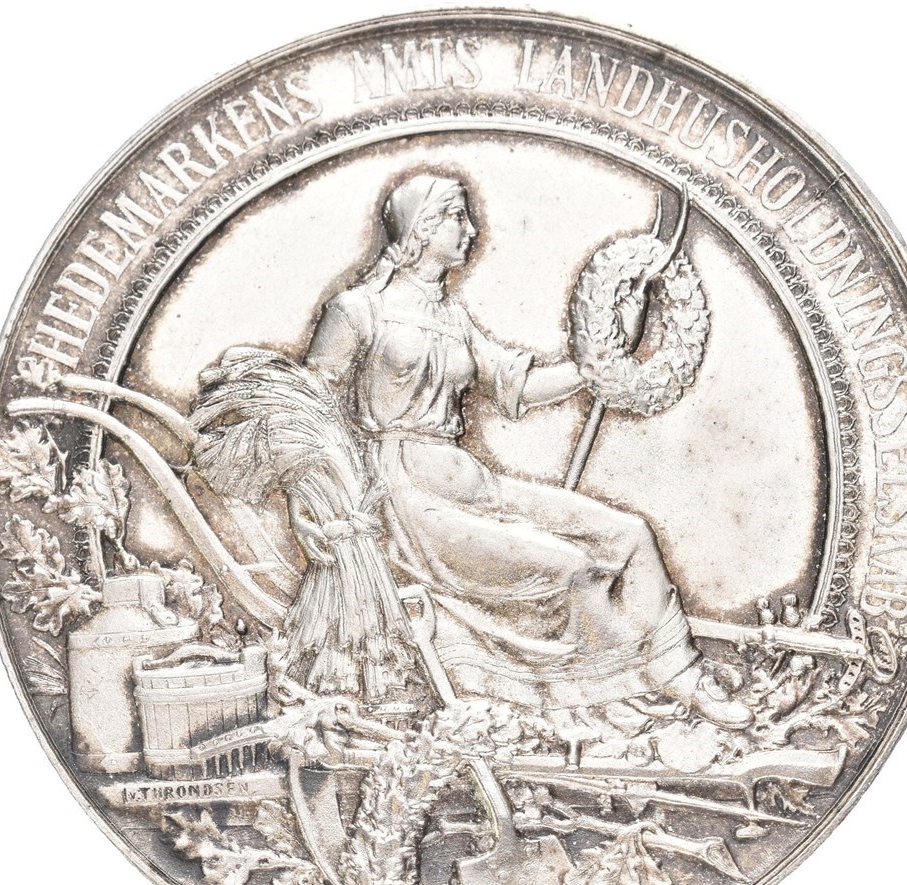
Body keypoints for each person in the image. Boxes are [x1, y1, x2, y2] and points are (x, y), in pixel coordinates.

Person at [302, 173, 752, 729]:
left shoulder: (452, 319)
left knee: (631, 534)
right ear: (421, 228)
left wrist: (605, 358)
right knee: (571, 567)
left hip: (467, 481)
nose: (471, 229)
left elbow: (519, 387)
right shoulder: (356, 311)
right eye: (456, 217)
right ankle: (611, 691)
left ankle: (679, 671)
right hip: (401, 497)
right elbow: (309, 414)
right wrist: (315, 506)